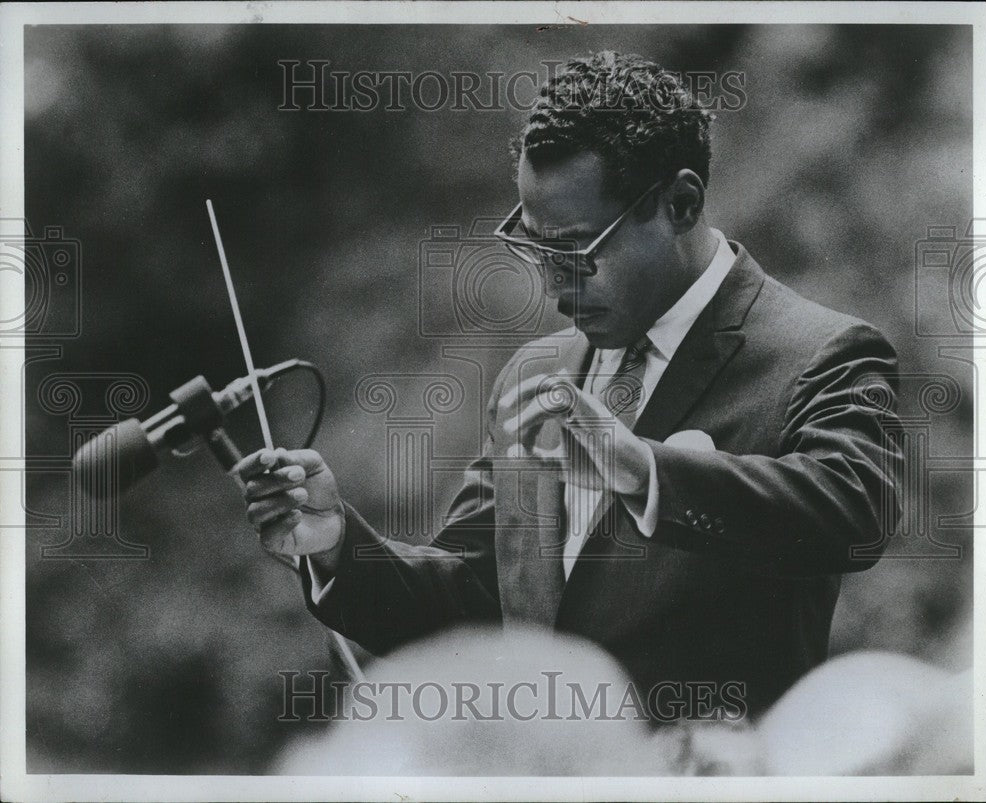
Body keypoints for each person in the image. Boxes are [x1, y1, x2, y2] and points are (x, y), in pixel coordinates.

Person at [238, 51, 903, 718]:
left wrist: (643, 469)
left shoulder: (822, 352)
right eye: (536, 251)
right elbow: (470, 596)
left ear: (680, 203)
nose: (554, 289)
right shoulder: (536, 372)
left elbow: (854, 517)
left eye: (577, 255)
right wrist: (335, 546)